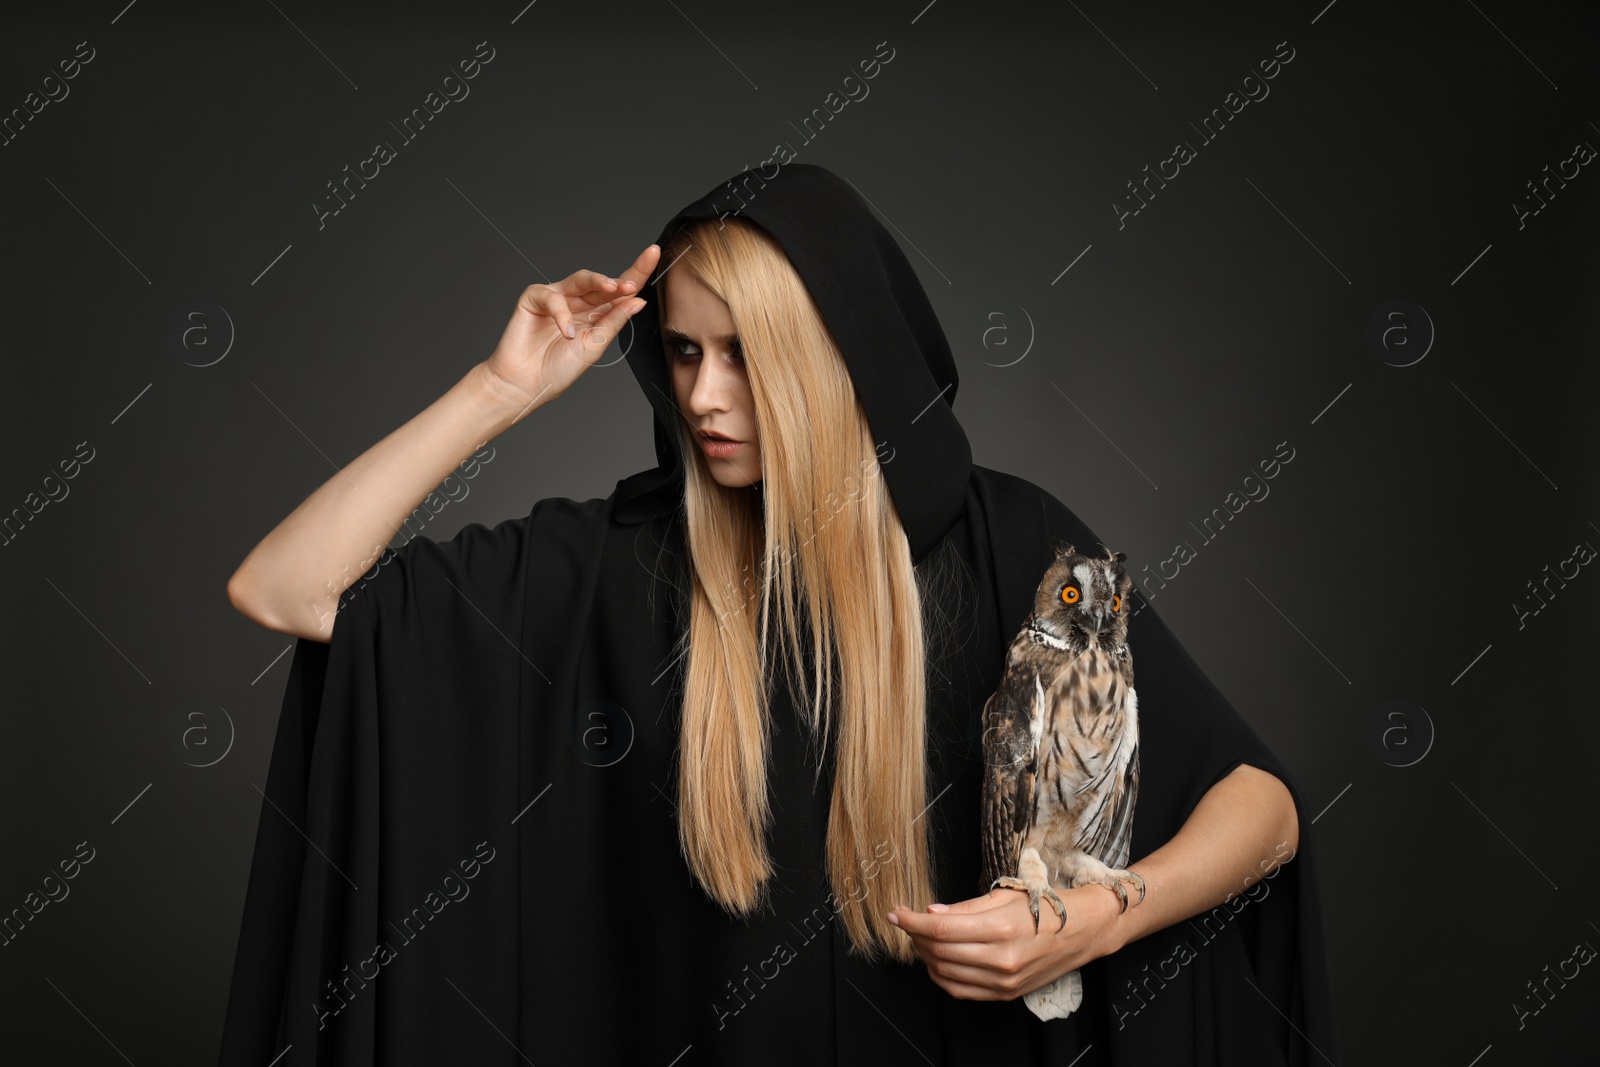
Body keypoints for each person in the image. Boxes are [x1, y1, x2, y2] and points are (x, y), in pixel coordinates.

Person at [217, 163, 1339, 1066]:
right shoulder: (609, 563)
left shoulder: (1014, 545)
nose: (702, 396)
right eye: (686, 352)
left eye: (747, 359)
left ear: (836, 361)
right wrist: (500, 389)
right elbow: (285, 588)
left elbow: (1263, 811)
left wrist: (1102, 913)